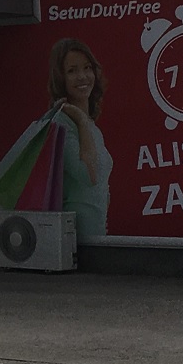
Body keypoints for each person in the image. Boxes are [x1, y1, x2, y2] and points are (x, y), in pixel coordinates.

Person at [47, 37, 112, 239]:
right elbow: (88, 175)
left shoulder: (91, 126)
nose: (82, 76)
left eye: (87, 68)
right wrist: (81, 120)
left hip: (96, 234)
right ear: (61, 78)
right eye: (72, 71)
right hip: (74, 239)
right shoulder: (61, 124)